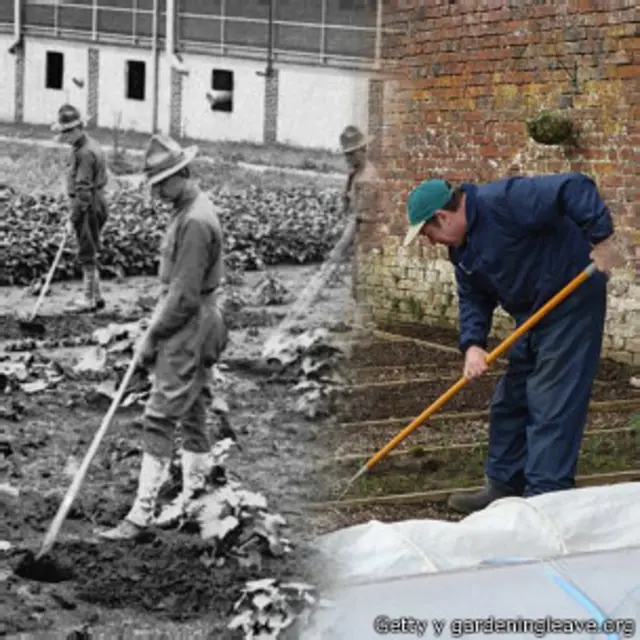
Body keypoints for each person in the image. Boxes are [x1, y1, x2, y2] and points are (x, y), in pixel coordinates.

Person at [402, 173, 624, 514]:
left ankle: (546, 500)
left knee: (552, 400)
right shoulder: (461, 248)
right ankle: (505, 486)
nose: (430, 241)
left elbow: (574, 187)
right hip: (532, 313)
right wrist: (473, 343)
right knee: (511, 400)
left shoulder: (504, 201)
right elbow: (472, 295)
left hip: (571, 302)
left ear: (443, 217)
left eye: (428, 233)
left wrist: (601, 240)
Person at [100, 135, 228, 540]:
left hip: (189, 324)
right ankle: (194, 501)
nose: (155, 193)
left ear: (181, 175)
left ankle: (140, 517)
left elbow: (183, 296)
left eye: (161, 184)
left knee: (159, 416)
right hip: (196, 318)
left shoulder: (194, 221)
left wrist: (151, 338)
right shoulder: (187, 208)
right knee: (192, 410)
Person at [52, 104, 108, 312]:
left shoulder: (85, 153)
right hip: (96, 202)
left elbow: (83, 192)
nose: (64, 137)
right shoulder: (90, 145)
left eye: (67, 132)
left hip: (88, 206)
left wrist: (73, 218)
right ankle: (98, 296)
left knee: (87, 251)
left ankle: (88, 299)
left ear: (77, 129)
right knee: (91, 247)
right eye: (62, 132)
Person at [338, 125, 378, 325]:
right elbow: (347, 206)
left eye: (351, 154)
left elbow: (358, 218)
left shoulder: (368, 179)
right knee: (356, 280)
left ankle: (365, 325)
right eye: (346, 155)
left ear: (362, 151)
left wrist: (339, 248)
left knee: (364, 281)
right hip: (359, 238)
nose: (348, 159)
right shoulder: (355, 174)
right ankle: (357, 322)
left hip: (370, 237)